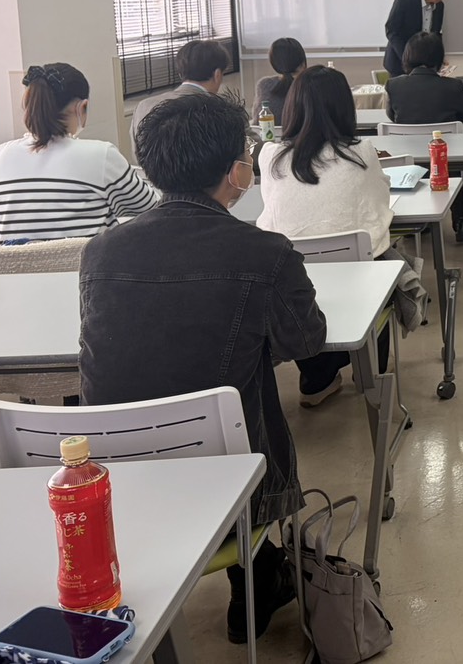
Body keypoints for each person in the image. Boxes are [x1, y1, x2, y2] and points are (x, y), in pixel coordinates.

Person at [80, 93, 326, 641]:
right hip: (227, 483)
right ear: (237, 173)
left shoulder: (101, 251)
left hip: (113, 483)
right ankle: (256, 579)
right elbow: (308, 341)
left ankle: (261, 574)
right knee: (243, 389)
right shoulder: (266, 252)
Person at [258, 66, 420, 406]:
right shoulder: (362, 152)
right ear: (345, 107)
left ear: (292, 107)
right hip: (358, 282)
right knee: (383, 262)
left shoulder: (270, 155)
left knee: (307, 279)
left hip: (294, 286)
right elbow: (379, 211)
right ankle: (371, 371)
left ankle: (317, 379)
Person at [0, 63, 157, 242]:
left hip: (17, 261)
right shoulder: (101, 155)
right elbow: (151, 208)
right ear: (81, 107)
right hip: (88, 260)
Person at [131, 39, 231, 144]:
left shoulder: (143, 107)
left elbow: (137, 152)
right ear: (217, 75)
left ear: (180, 73)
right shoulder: (219, 112)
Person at [386, 32, 463, 127]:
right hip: (446, 139)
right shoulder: (452, 86)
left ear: (407, 56)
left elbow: (392, 116)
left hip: (407, 140)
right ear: (439, 57)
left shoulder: (393, 86)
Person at [383, 0, 451, 78]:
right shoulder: (404, 1)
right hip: (399, 64)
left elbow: (436, 33)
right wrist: (407, 58)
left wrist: (439, 58)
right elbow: (391, 31)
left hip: (426, 68)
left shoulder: (439, 6)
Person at [253, 36, 306, 122]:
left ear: (274, 63)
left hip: (268, 130)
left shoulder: (264, 85)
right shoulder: (310, 84)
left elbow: (257, 122)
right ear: (302, 61)